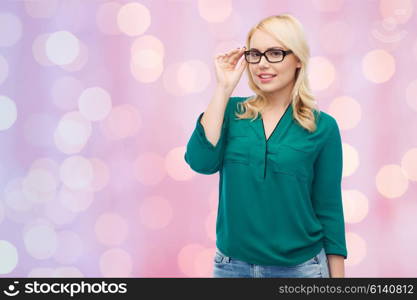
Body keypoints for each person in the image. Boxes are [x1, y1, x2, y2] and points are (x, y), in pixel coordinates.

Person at [184, 14, 347, 278]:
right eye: (255, 54)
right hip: (231, 268)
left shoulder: (323, 127)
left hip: (301, 270)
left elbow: (329, 209)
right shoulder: (231, 112)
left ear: (297, 59)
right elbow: (201, 162)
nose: (262, 64)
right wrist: (223, 88)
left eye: (274, 53)